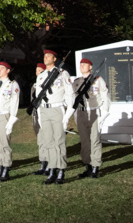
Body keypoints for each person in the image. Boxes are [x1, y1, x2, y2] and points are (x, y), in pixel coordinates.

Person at [34, 49, 74, 185]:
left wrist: (67, 114)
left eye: (48, 56)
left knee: (59, 141)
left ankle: (61, 170)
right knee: (48, 142)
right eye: (44, 55)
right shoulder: (41, 76)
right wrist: (40, 114)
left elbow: (69, 94)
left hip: (57, 109)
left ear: (54, 59)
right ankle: (52, 170)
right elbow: (38, 97)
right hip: (44, 110)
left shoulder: (63, 74)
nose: (45, 57)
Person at [72, 58, 110, 179]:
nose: (82, 66)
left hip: (93, 111)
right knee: (84, 141)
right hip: (81, 113)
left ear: (90, 67)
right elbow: (73, 99)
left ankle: (95, 167)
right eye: (81, 64)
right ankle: (87, 166)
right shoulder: (76, 82)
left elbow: (105, 97)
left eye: (85, 64)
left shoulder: (98, 80)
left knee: (95, 140)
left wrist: (104, 114)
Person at [31, 62, 49, 175]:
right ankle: (43, 163)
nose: (38, 73)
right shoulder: (34, 86)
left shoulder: (47, 84)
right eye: (36, 70)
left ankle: (50, 163)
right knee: (40, 140)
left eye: (40, 70)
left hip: (45, 112)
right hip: (36, 114)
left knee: (48, 139)